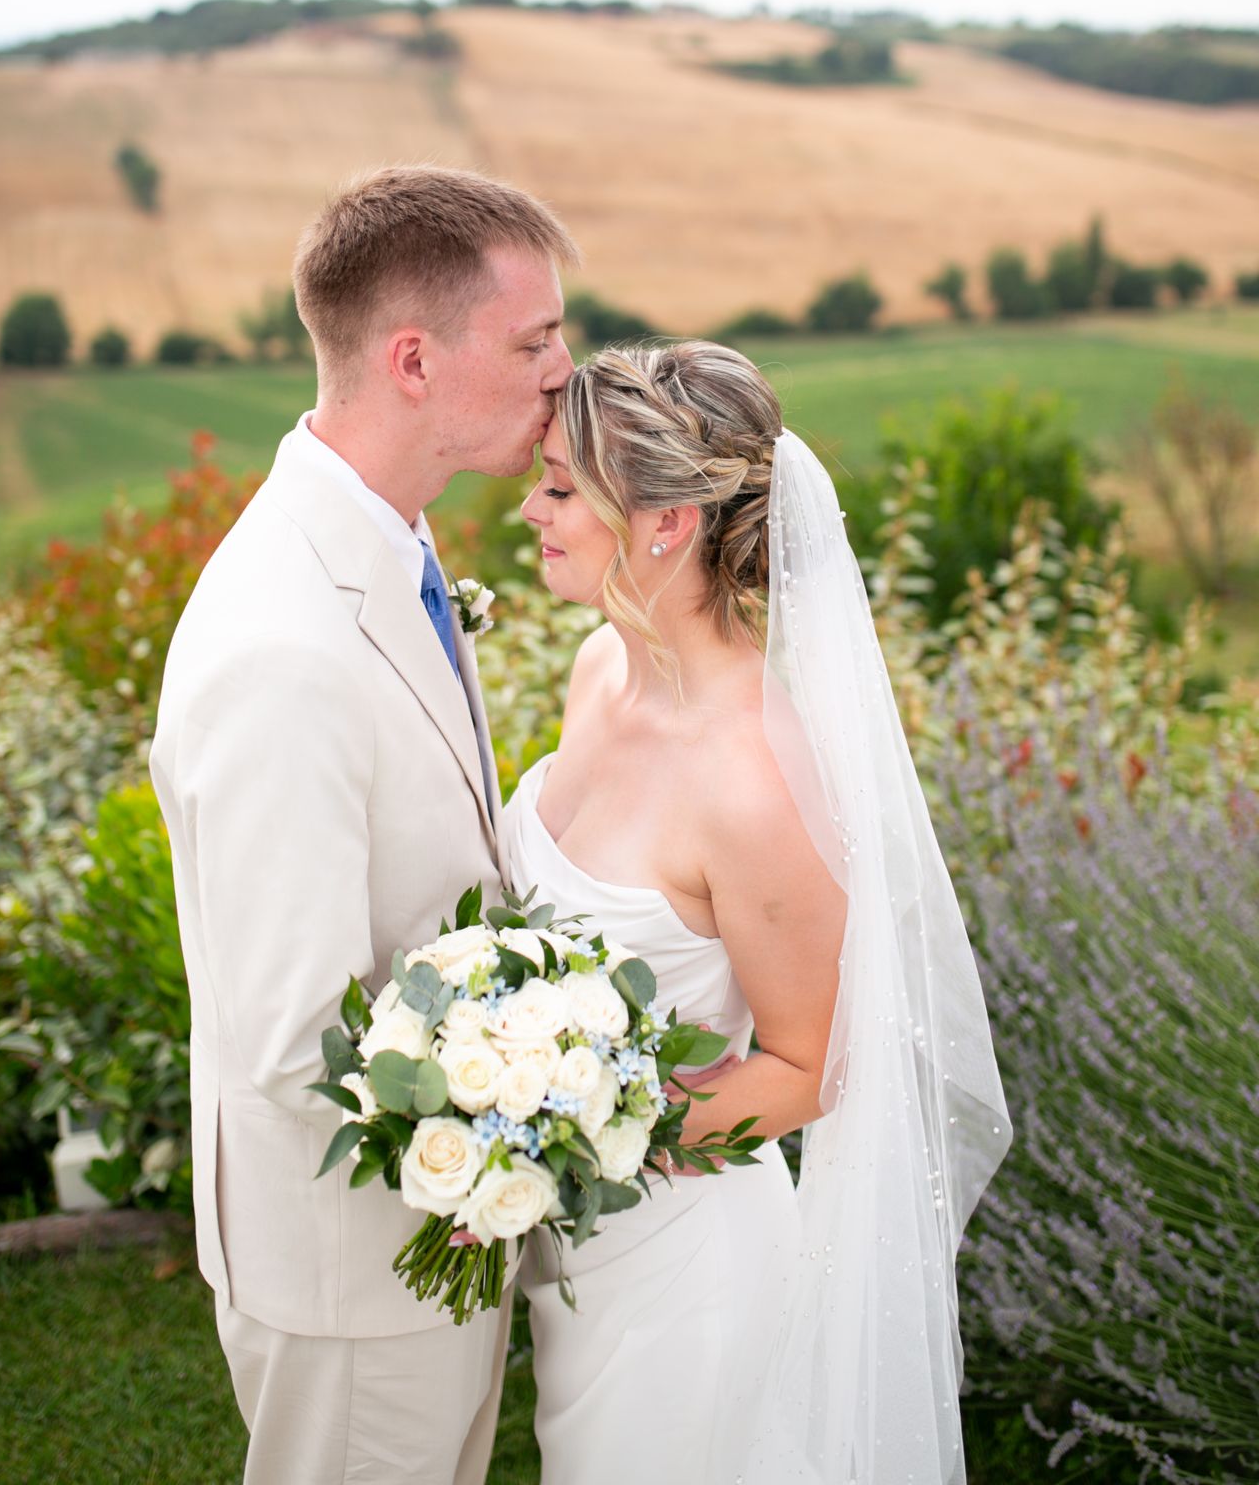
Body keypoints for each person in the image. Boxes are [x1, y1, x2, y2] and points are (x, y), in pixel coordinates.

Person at [508, 339, 1011, 1485]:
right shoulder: (598, 667)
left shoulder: (750, 782)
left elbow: (808, 1065)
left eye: (555, 488)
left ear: (664, 524)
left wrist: (570, 1137)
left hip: (685, 1281)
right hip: (579, 1258)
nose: (527, 512)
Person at [149, 165, 578, 1485]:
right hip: (353, 1267)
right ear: (412, 359)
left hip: (423, 1239)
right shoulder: (283, 643)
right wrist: (555, 1099)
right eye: (534, 342)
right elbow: (299, 1037)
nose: (566, 373)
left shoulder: (387, 537)